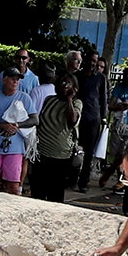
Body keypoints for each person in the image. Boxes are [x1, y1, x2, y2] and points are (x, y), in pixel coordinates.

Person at [0, 69, 35, 196]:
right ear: (4, 80)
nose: (15, 81)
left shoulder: (24, 98)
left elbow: (34, 119)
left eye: (18, 79)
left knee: (13, 185)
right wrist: (2, 126)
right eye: (12, 78)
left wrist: (17, 125)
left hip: (15, 148)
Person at [30, 73, 81, 203]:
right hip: (41, 152)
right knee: (37, 192)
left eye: (68, 83)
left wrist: (69, 99)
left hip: (61, 156)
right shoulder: (49, 99)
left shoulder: (76, 103)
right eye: (63, 82)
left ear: (74, 87)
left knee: (55, 195)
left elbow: (72, 120)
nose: (64, 85)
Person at [77, 56, 110, 190]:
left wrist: (103, 117)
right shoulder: (77, 76)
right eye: (89, 60)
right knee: (72, 148)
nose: (91, 63)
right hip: (77, 116)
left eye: (94, 62)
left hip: (93, 118)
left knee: (89, 152)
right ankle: (70, 177)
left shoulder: (101, 78)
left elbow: (103, 99)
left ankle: (84, 181)